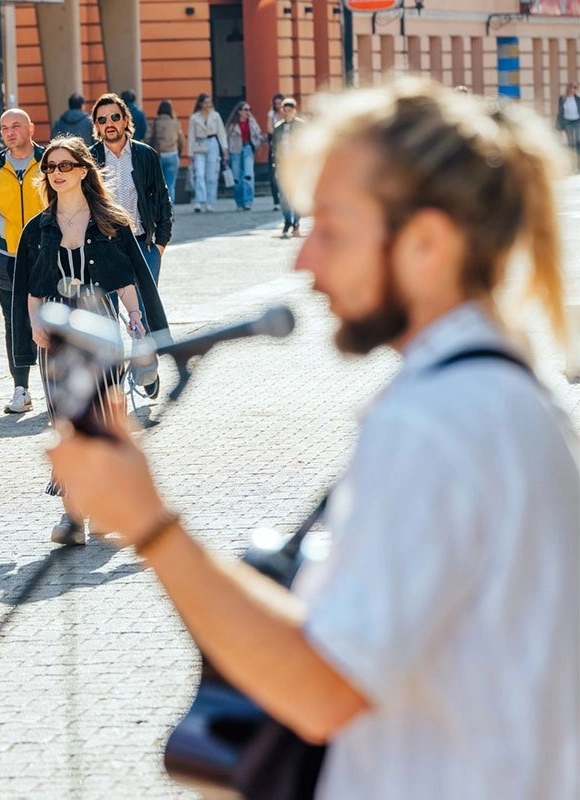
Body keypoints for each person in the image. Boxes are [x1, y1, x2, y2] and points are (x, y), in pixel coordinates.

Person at [49, 79, 578, 799]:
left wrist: (147, 521)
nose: (306, 262)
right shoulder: (497, 393)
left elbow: (323, 687)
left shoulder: (438, 420)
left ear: (427, 242)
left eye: (333, 228)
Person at [13, 137, 167, 546]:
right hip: (56, 334)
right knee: (66, 423)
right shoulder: (38, 228)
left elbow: (126, 279)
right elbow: (30, 288)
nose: (56, 173)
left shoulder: (110, 222)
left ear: (83, 170)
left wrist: (136, 318)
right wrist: (33, 325)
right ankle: (73, 516)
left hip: (99, 330)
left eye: (64, 165)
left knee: (100, 421)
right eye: (49, 167)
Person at [0, 108, 46, 414]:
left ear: (31, 128)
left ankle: (57, 386)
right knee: (15, 324)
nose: (10, 132)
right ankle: (21, 388)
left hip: (47, 256)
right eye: (5, 128)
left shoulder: (49, 162)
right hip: (9, 259)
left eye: (16, 126)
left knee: (51, 319)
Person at [89, 92, 173, 286]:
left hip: (144, 245)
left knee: (145, 312)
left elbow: (162, 199)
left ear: (125, 120)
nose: (109, 123)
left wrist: (160, 244)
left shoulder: (146, 155)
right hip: (106, 247)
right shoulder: (89, 159)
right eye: (102, 120)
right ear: (97, 127)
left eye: (115, 117)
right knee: (108, 313)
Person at [187, 93, 228, 213]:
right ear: (200, 104)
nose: (208, 105)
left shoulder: (215, 116)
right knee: (199, 173)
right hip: (199, 144)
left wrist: (224, 148)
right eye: (205, 102)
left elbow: (221, 132)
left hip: (212, 143)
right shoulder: (194, 118)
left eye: (209, 102)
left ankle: (210, 202)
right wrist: (190, 152)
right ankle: (199, 201)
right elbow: (191, 135)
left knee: (212, 175)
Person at [273, 97, 304, 238]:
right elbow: (274, 148)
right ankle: (287, 220)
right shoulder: (278, 128)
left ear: (294, 111)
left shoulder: (301, 126)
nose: (287, 113)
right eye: (284, 110)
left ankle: (296, 222)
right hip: (282, 164)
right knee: (284, 196)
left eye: (289, 110)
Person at [226, 100, 264, 211]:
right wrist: (226, 154)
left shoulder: (251, 122)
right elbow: (226, 139)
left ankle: (248, 202)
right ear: (239, 111)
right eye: (246, 110)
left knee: (248, 175)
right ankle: (239, 202)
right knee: (237, 178)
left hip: (248, 148)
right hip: (235, 150)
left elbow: (258, 133)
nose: (248, 112)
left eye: (249, 110)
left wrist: (252, 119)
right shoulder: (232, 125)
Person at [145, 100, 185, 206]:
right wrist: (179, 152)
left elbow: (147, 139)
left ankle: (160, 210)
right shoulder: (175, 123)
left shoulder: (154, 123)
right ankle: (169, 211)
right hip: (172, 155)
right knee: (171, 185)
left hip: (158, 156)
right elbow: (181, 140)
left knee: (158, 185)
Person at [267, 92, 285, 210]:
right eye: (276, 103)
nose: (278, 105)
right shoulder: (271, 114)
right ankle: (276, 200)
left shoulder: (287, 113)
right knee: (273, 175)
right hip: (275, 146)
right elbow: (269, 129)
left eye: (280, 103)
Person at [557, 80, 580, 168]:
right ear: (568, 88)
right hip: (567, 122)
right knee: (571, 143)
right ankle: (572, 165)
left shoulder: (578, 99)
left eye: (575, 88)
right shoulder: (562, 99)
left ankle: (578, 164)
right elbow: (560, 113)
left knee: (578, 142)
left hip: (577, 121)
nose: (572, 89)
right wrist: (559, 127)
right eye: (571, 87)